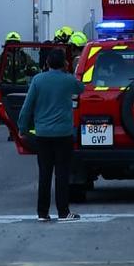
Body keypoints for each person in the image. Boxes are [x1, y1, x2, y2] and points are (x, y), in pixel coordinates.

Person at [17, 46, 82, 220]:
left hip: (43, 134)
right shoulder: (69, 80)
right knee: (62, 174)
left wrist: (22, 128)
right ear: (64, 64)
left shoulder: (38, 80)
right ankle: (63, 211)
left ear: (46, 62)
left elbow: (27, 107)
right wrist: (71, 69)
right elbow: (81, 88)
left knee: (44, 174)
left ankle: (42, 212)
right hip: (63, 134)